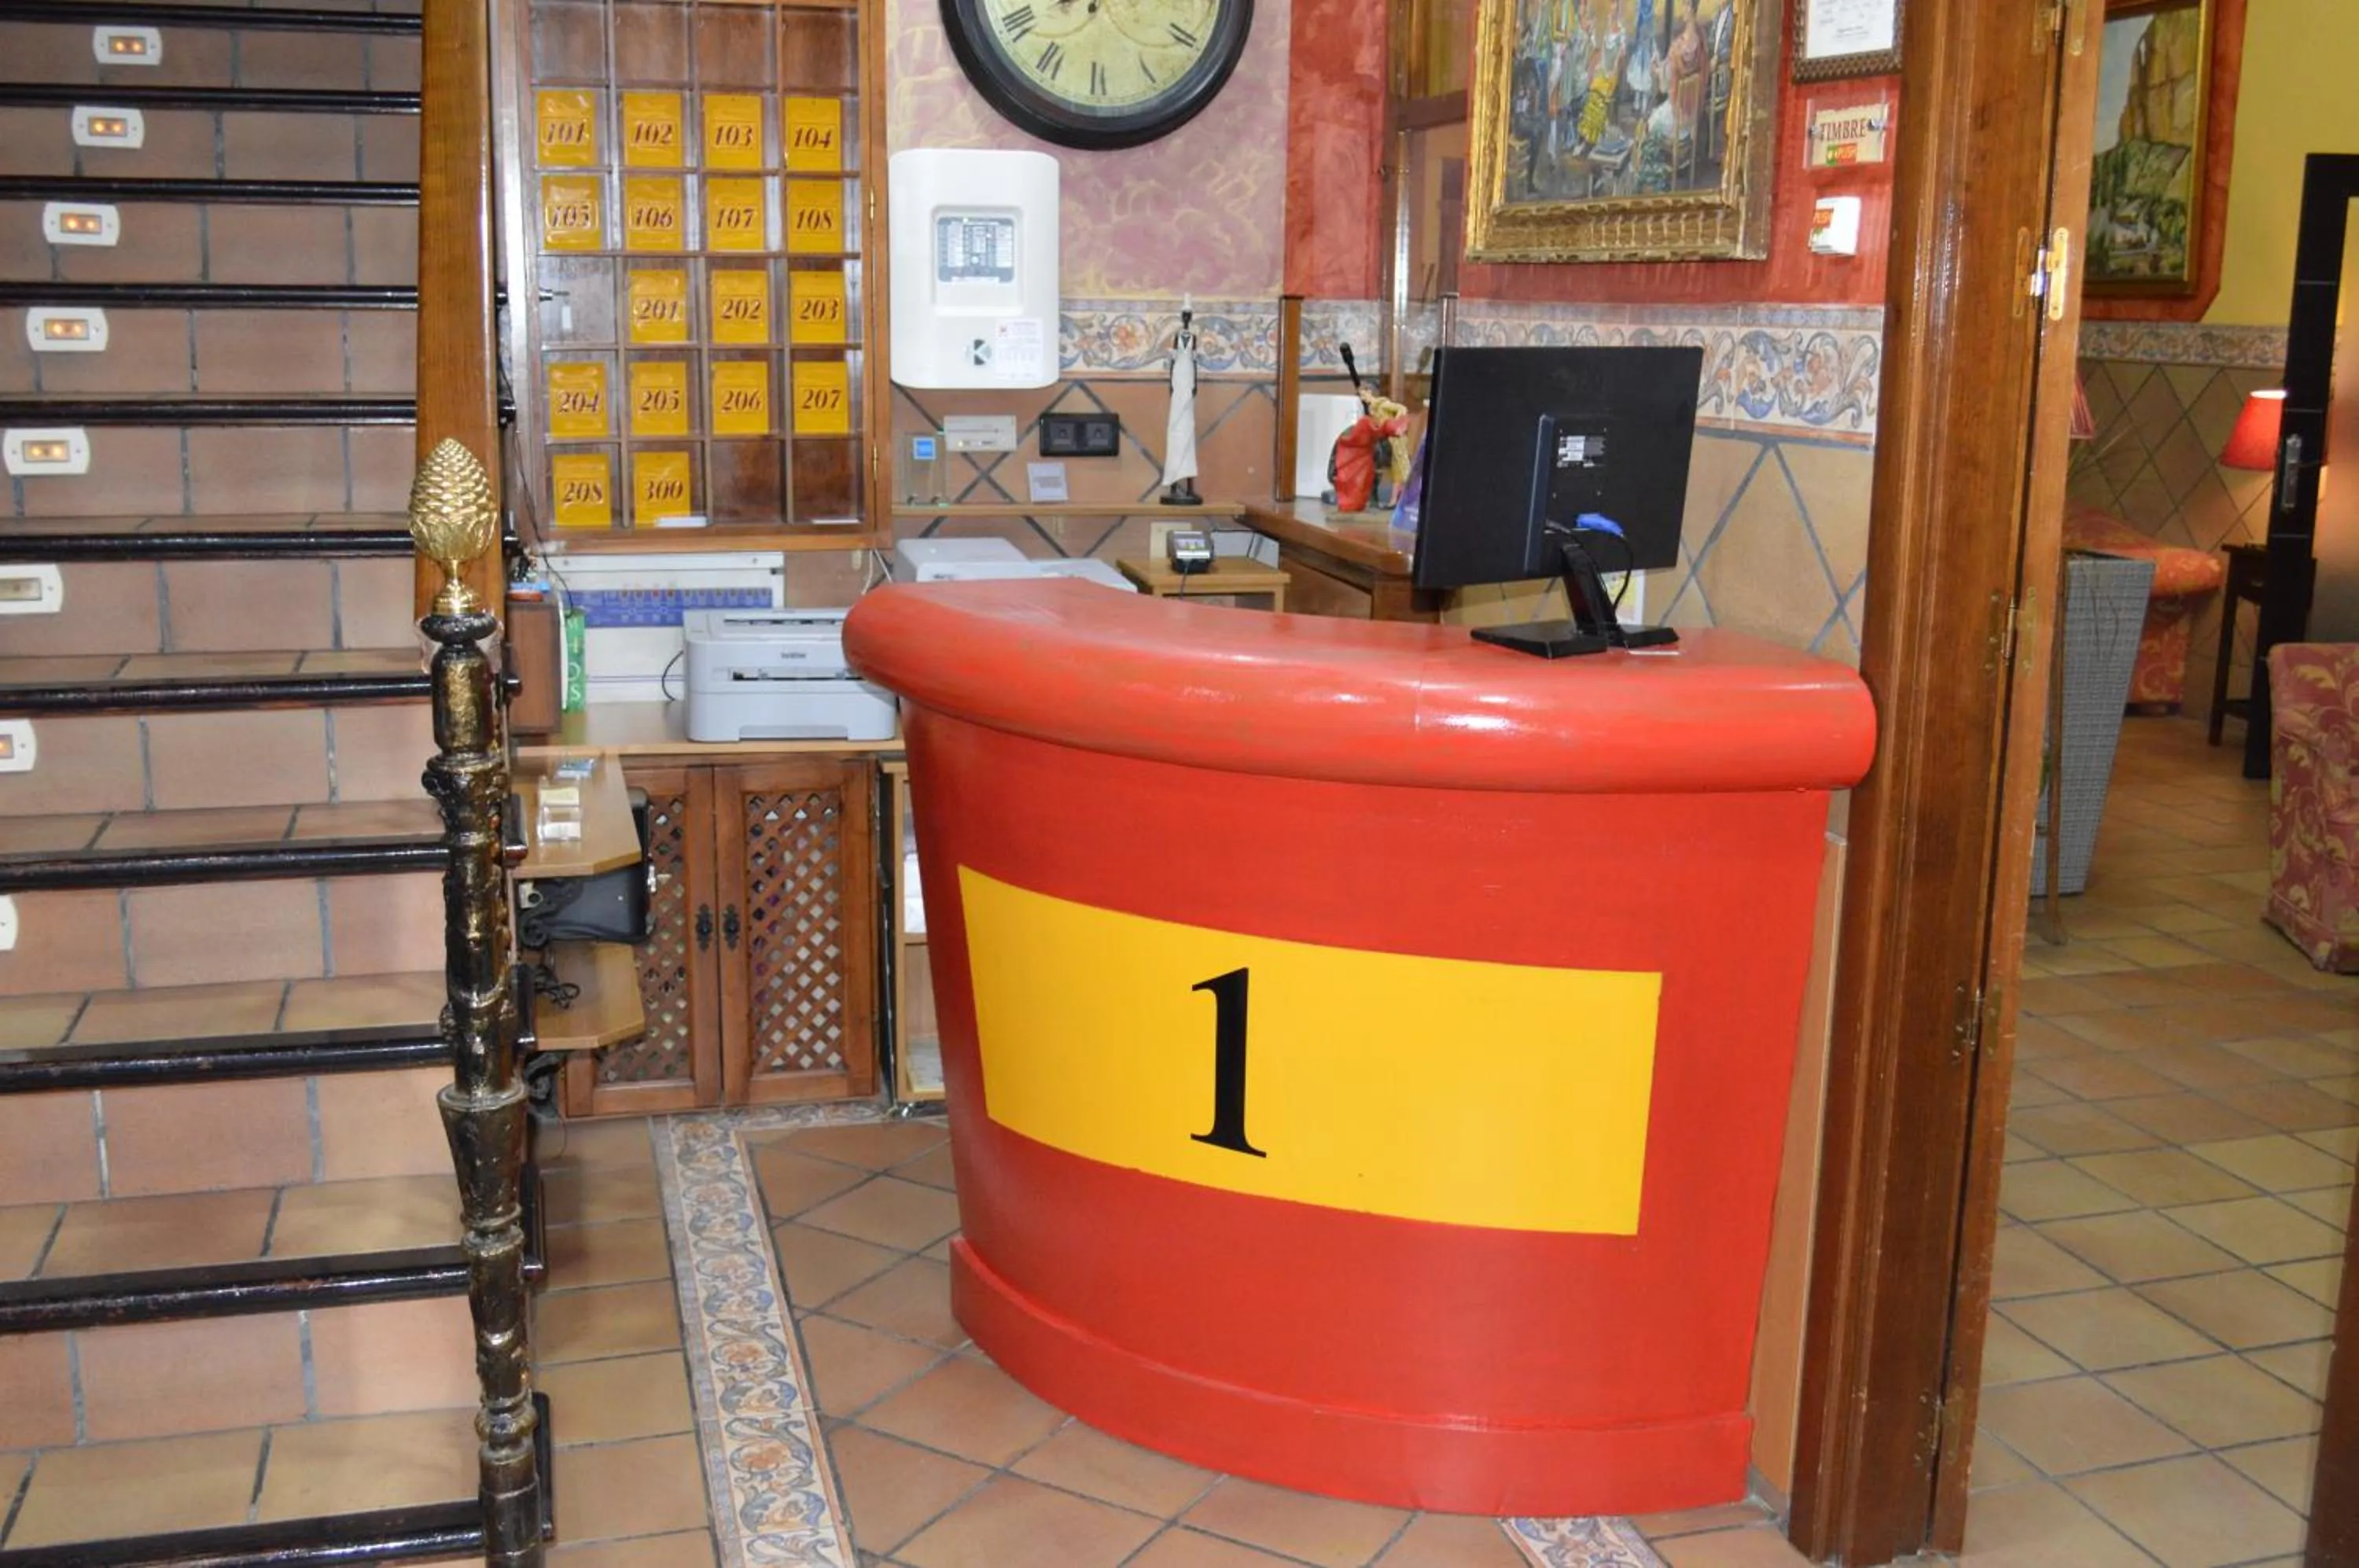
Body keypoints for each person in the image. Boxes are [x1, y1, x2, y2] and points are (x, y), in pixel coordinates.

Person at [1160, 301, 1201, 506]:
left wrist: (1195, 384)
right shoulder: (1177, 337)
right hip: (1179, 375)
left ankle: (1189, 484)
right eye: (1184, 315)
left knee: (1187, 429)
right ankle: (1174, 483)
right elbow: (1174, 361)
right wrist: (1171, 384)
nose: (1186, 319)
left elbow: (1194, 361)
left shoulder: (1194, 337)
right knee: (1176, 429)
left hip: (1188, 375)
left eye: (1188, 316)